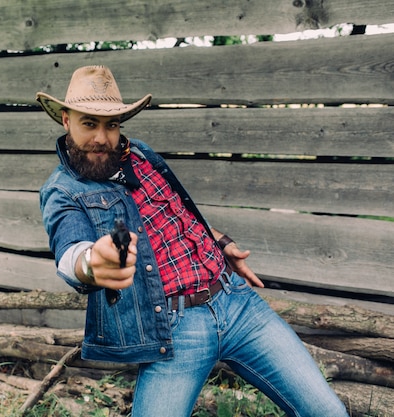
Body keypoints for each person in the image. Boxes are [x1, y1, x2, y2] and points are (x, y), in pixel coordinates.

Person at [36, 65, 349, 417]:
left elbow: (176, 214)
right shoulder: (62, 190)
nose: (102, 138)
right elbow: (70, 249)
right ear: (66, 121)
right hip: (176, 328)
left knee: (328, 412)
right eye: (89, 123)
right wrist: (92, 263)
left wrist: (221, 242)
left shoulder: (138, 153)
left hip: (237, 303)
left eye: (112, 124)